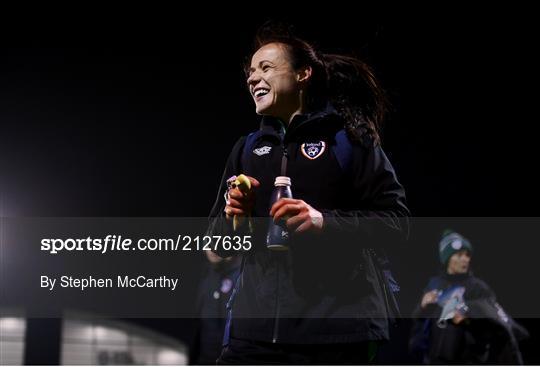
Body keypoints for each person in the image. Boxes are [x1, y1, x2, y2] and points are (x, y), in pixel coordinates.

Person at [206, 23, 409, 365]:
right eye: (250, 72)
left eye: (266, 67)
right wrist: (234, 218)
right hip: (251, 337)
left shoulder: (349, 141)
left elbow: (398, 224)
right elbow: (216, 248)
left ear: (303, 74)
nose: (253, 78)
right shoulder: (246, 150)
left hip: (336, 334)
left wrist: (323, 223)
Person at [409, 230, 528, 364]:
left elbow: (494, 321)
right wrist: (422, 306)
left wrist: (468, 319)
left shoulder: (478, 287)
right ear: (447, 258)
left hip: (468, 358)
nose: (465, 259)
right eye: (459, 255)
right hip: (434, 358)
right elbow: (418, 321)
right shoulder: (434, 284)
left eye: (467, 255)